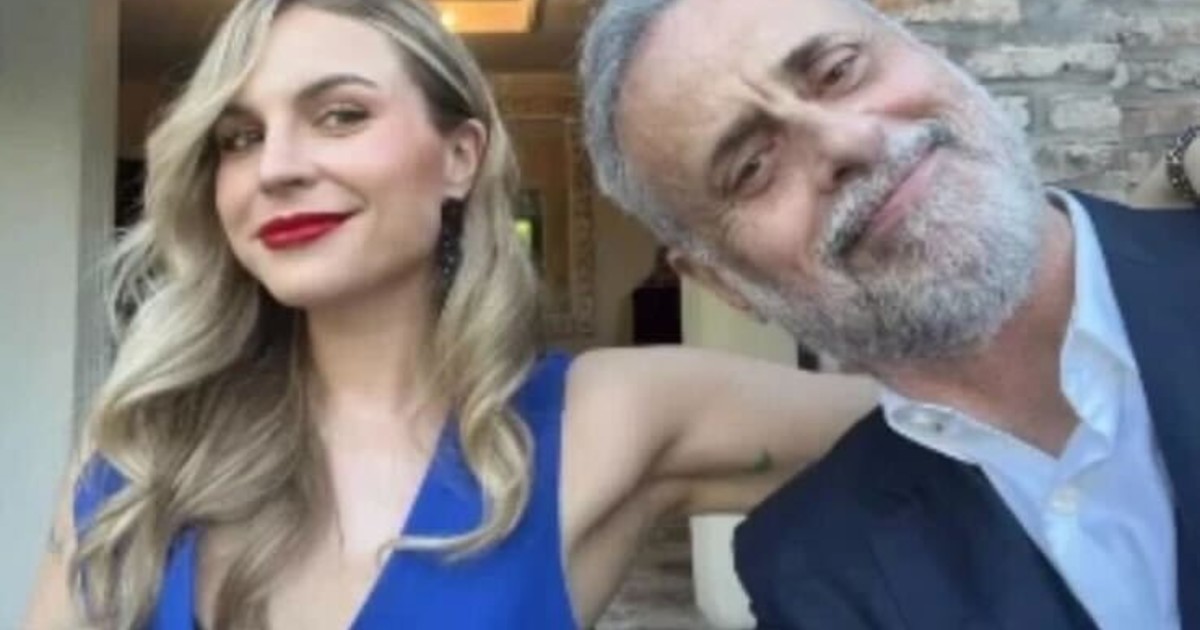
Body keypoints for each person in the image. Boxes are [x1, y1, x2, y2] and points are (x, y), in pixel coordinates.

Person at [22, 1, 886, 628]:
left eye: (340, 115)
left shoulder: (609, 417)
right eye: (239, 137)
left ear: (459, 158)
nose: (275, 167)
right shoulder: (137, 458)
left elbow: (951, 423)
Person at [579, 0, 1200, 628]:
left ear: (932, 54)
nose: (849, 142)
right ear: (722, 283)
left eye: (839, 70)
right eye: (753, 168)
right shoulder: (810, 570)